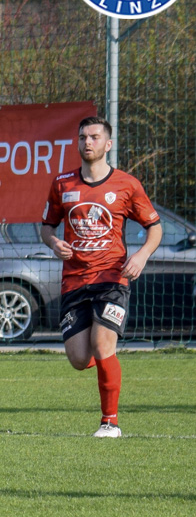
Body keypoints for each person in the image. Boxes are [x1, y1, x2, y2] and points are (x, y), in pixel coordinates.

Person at [40, 116, 162, 437]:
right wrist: (53, 243)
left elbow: (155, 227)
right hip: (74, 281)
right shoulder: (62, 183)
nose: (87, 142)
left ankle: (110, 422)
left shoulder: (126, 184)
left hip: (112, 279)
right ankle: (104, 361)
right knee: (80, 358)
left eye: (94, 137)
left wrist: (141, 255)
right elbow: (47, 227)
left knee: (102, 343)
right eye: (83, 137)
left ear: (108, 144)